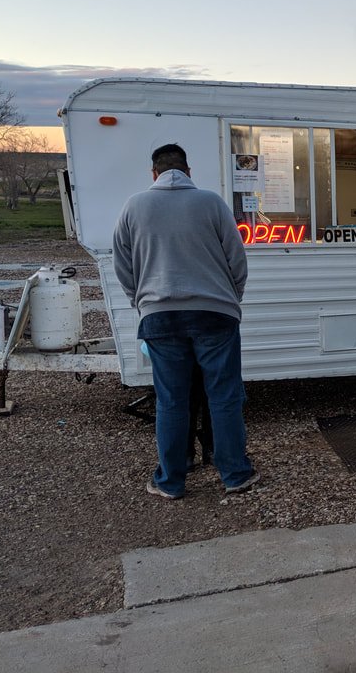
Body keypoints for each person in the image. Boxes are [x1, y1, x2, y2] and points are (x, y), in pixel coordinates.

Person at [113, 143, 259, 499]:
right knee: (223, 396)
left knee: (171, 400)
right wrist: (230, 297)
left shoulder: (134, 205)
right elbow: (236, 258)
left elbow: (123, 264)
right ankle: (235, 474)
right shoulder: (211, 202)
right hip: (215, 314)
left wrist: (142, 302)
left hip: (160, 317)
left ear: (154, 173)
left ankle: (171, 481)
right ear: (188, 172)